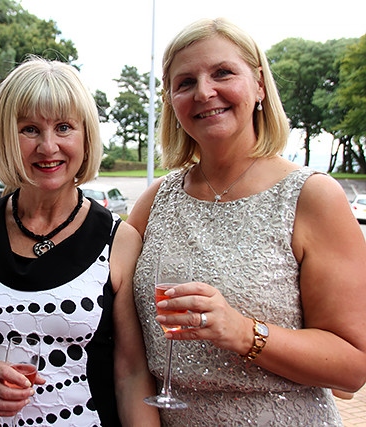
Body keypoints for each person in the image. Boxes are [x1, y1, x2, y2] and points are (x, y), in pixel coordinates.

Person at [127, 17, 366, 426]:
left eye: (222, 73)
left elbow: (352, 369)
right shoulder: (154, 201)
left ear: (258, 85)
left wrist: (242, 332)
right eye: (185, 83)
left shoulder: (312, 196)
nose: (204, 92)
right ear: (171, 102)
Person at [0, 57, 158, 426]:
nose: (48, 147)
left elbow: (131, 374)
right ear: (5, 136)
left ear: (85, 135)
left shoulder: (118, 239)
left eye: (64, 127)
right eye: (29, 129)